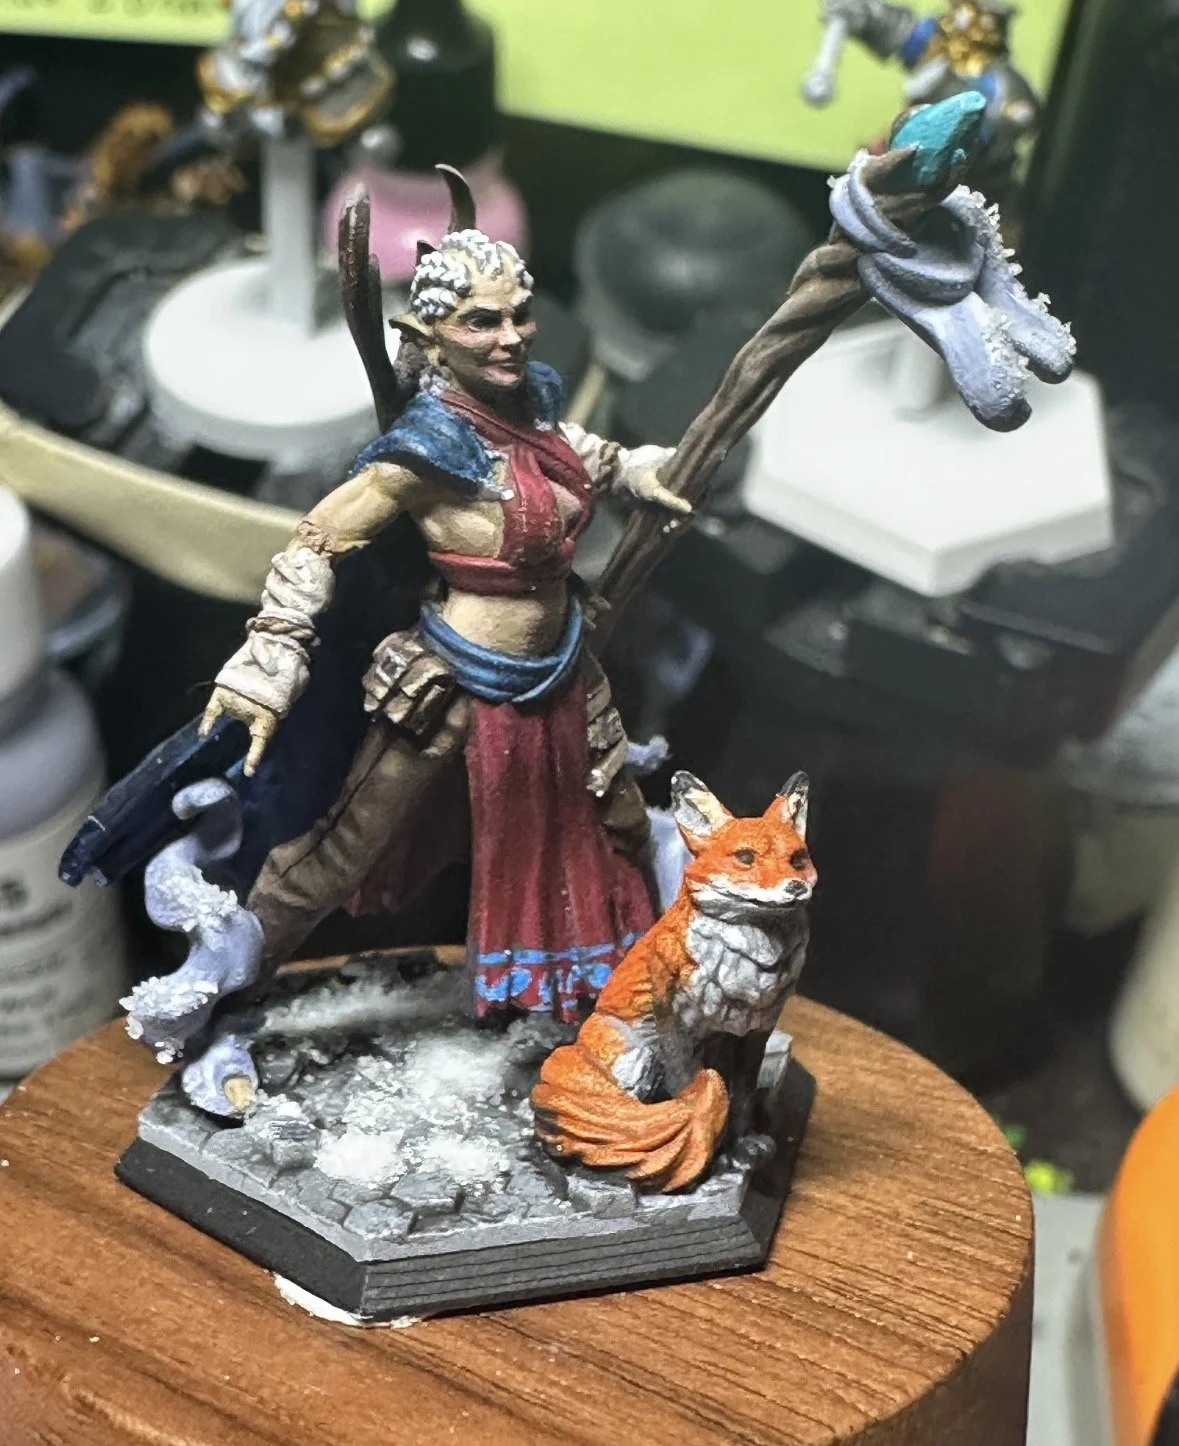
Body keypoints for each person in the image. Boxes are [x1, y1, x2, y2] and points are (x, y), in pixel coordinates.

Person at [199, 170, 690, 1025]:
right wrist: (270, 652)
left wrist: (634, 468)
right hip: (453, 684)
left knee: (616, 816)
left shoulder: (533, 400)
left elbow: (571, 451)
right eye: (481, 322)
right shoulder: (425, 449)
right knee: (345, 847)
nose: (510, 337)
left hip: (564, 672)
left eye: (518, 315)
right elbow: (319, 536)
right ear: (428, 335)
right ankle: (225, 986)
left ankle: (639, 985)